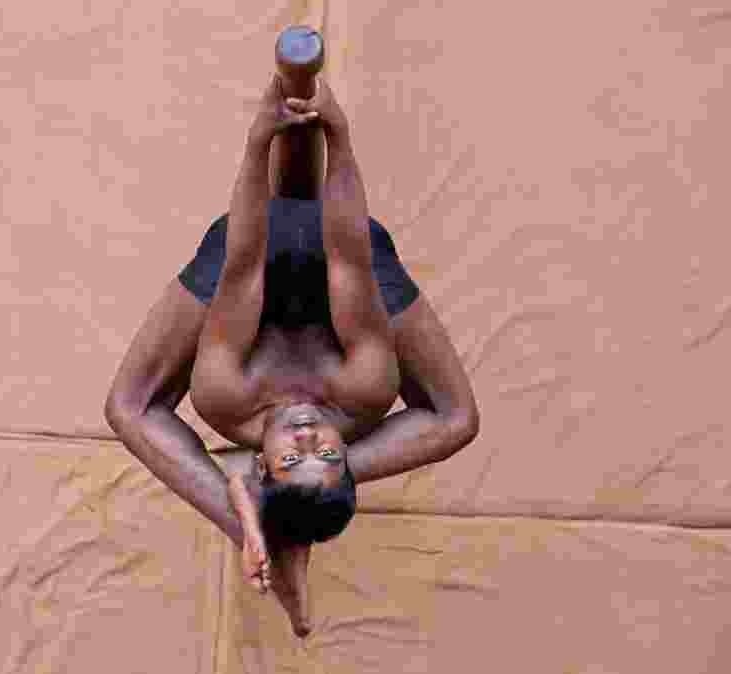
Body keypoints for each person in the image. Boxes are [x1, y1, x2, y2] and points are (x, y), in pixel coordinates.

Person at [105, 73, 480, 637]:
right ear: (346, 457)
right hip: (354, 271)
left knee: (130, 402)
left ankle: (263, 519)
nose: (309, 442)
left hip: (245, 266)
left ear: (262, 461)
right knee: (453, 412)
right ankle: (269, 521)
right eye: (331, 458)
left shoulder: (226, 396)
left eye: (289, 460)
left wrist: (261, 138)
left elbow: (244, 261)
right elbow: (349, 255)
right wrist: (339, 133)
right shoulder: (365, 388)